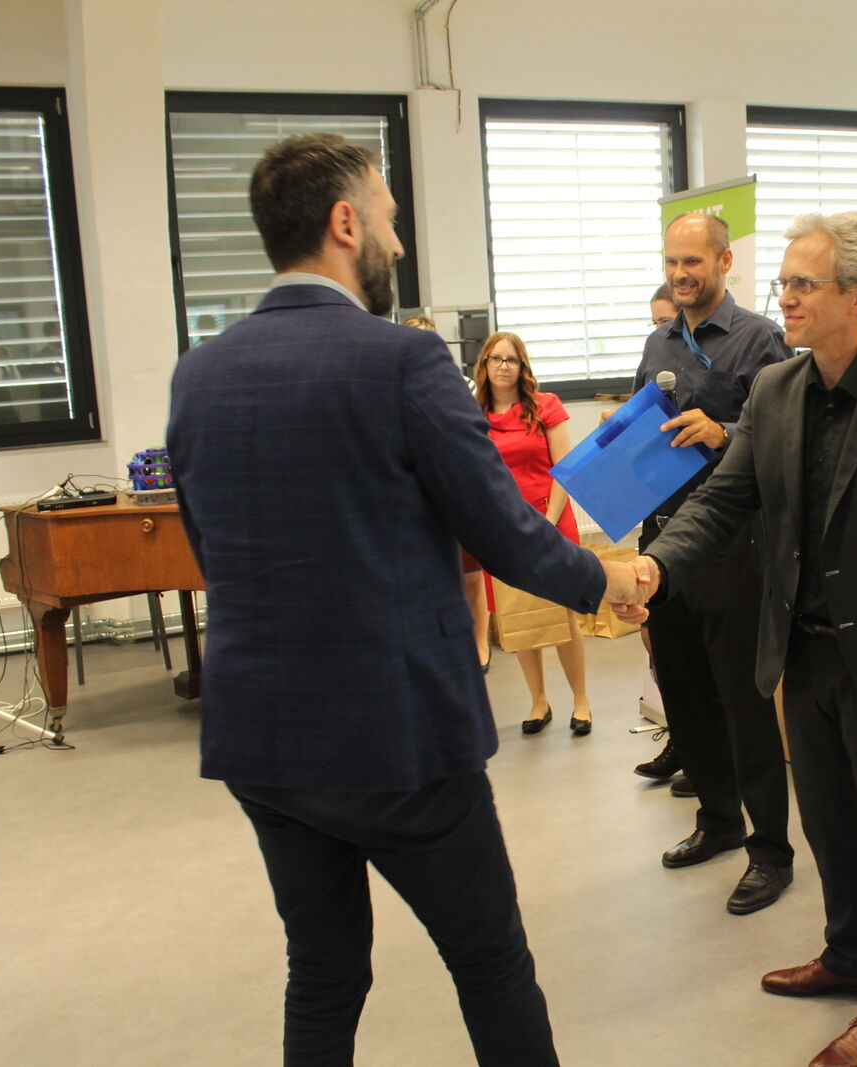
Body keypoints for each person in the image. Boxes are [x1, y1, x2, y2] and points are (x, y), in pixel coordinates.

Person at [166, 133, 646, 1066]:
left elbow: (209, 543)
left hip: (262, 738)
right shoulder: (403, 363)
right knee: (491, 964)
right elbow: (501, 531)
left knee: (322, 972)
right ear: (345, 223)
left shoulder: (200, 372)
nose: (396, 240)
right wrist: (609, 580)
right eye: (389, 219)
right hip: (398, 738)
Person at [636, 211, 857, 1066]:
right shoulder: (775, 390)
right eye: (784, 283)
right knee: (832, 827)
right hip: (802, 656)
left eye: (803, 284)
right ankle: (848, 953)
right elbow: (723, 500)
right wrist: (654, 568)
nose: (785, 299)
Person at [623, 211, 796, 915]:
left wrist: (724, 433)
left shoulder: (761, 340)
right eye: (671, 262)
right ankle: (719, 821)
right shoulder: (658, 340)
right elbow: (644, 431)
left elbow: (788, 439)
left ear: (724, 262)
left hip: (732, 548)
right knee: (686, 695)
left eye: (692, 262)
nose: (679, 274)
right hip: (666, 549)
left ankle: (772, 851)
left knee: (745, 707)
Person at [475, 330, 592, 735]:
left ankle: (581, 701)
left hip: (550, 522)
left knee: (562, 614)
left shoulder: (545, 406)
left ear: (523, 366)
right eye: (495, 359)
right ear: (484, 365)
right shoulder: (473, 414)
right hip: (504, 529)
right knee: (519, 613)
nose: (503, 366)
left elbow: (565, 468)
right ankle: (539, 701)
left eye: (511, 359)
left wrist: (549, 521)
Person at [405, 312, 492, 673]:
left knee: (472, 577)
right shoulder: (395, 385)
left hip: (458, 491)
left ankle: (480, 643)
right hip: (418, 501)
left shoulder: (464, 385)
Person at [634, 282, 695, 784]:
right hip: (657, 517)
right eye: (655, 322)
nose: (662, 330)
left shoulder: (743, 347)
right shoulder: (655, 352)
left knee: (704, 655)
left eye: (666, 320)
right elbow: (639, 413)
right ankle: (682, 739)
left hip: (702, 521)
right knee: (659, 640)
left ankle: (709, 758)